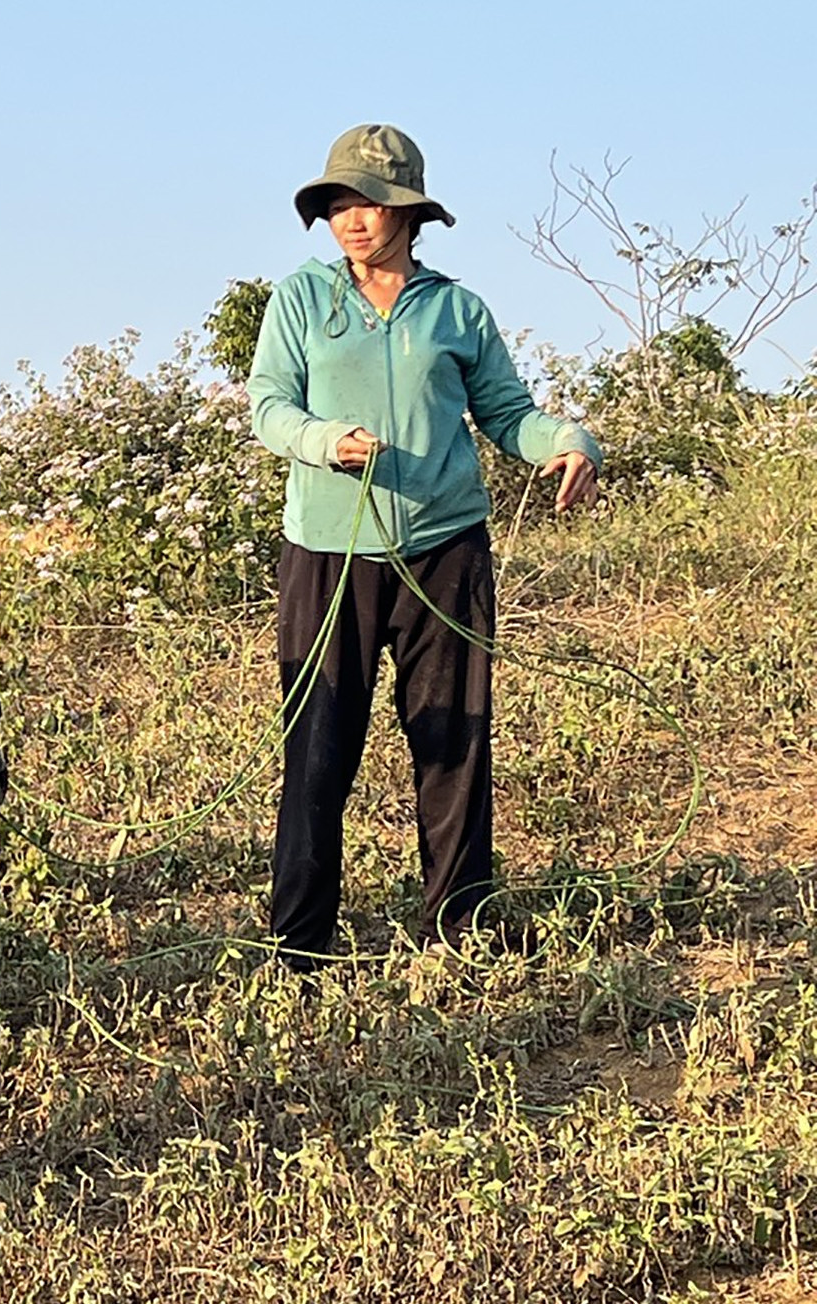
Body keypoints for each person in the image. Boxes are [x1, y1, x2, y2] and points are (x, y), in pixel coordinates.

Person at [246, 123, 602, 968]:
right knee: (319, 748)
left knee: (454, 744)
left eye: (368, 203)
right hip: (328, 554)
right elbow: (270, 406)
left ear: (408, 212)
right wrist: (326, 441)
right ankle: (299, 948)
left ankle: (460, 929)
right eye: (337, 204)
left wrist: (567, 441)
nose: (351, 220)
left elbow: (508, 413)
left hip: (445, 552)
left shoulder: (456, 310)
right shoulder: (302, 300)